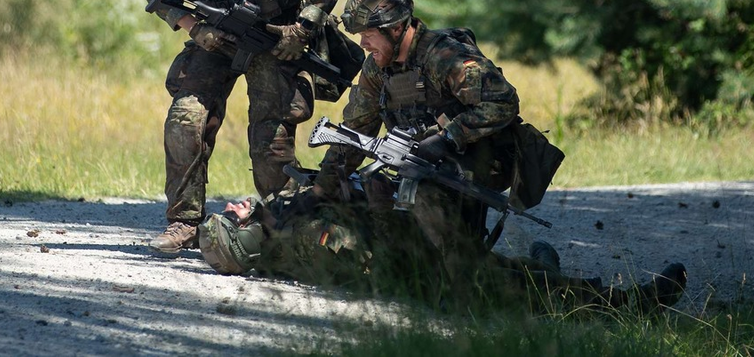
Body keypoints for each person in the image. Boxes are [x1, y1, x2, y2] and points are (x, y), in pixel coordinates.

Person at [145, 0, 340, 254]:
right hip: (215, 38)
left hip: (274, 40)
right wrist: (195, 29)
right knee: (185, 120)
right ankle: (183, 223)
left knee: (270, 141)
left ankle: (284, 227)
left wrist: (301, 29)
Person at [306, 0, 546, 281]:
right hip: (427, 167)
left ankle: (587, 294)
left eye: (368, 34)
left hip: (482, 162)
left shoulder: (444, 57)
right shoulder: (377, 68)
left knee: (461, 266)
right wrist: (320, 190)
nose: (363, 44)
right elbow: (355, 129)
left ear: (396, 29)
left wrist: (447, 138)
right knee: (377, 195)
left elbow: (503, 102)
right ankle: (529, 265)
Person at [197, 179, 688, 315]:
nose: (234, 204)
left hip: (427, 257)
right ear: (243, 240)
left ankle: (541, 265)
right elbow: (375, 257)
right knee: (522, 289)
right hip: (429, 277)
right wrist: (378, 204)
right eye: (230, 217)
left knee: (516, 269)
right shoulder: (304, 243)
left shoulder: (285, 225)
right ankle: (630, 304)